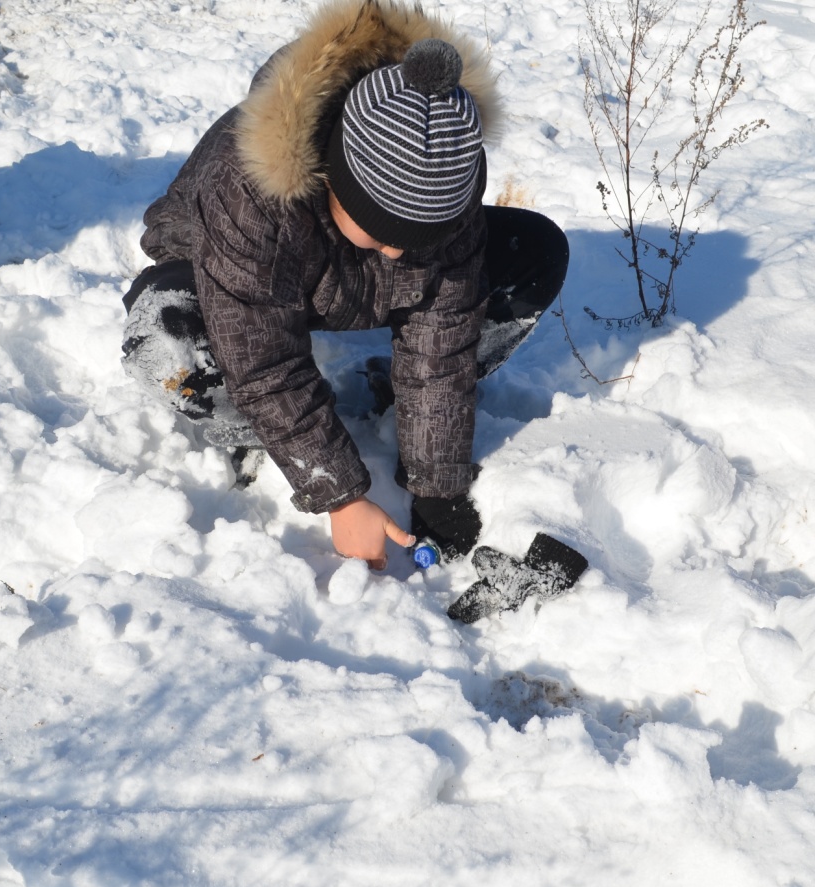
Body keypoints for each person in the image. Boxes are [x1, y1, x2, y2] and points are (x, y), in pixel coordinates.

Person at [122, 0, 569, 570]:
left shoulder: (447, 167)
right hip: (226, 274)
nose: (400, 251)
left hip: (342, 278)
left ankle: (392, 399)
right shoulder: (249, 189)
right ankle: (262, 440)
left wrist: (437, 483)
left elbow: (444, 333)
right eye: (385, 231)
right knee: (169, 341)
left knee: (533, 253)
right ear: (336, 176)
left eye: (418, 237)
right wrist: (341, 494)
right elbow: (262, 361)